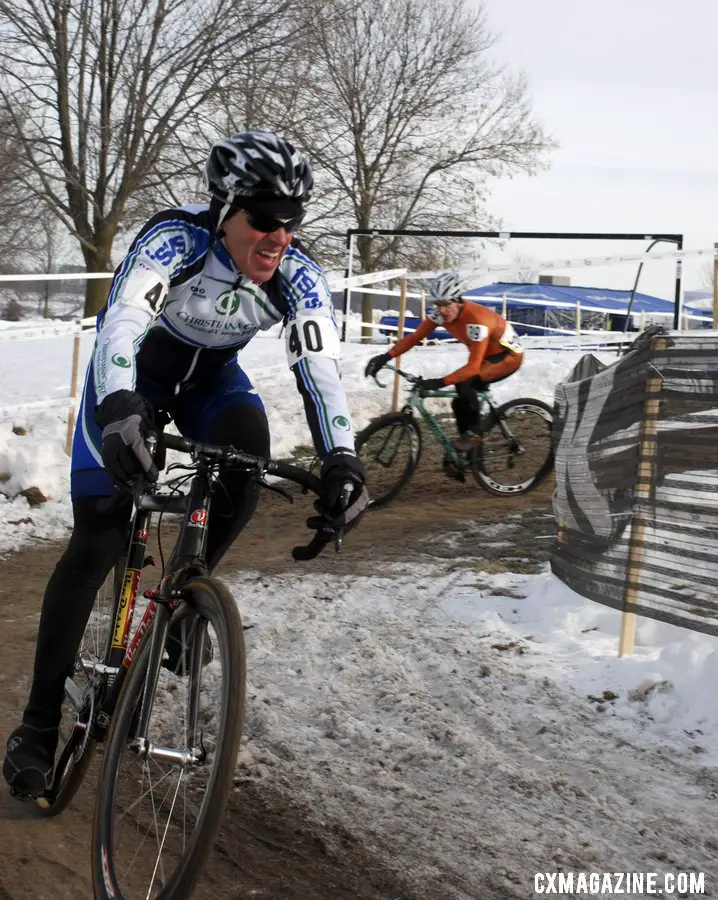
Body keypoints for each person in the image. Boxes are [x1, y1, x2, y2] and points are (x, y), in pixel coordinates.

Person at [3, 130, 368, 798]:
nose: (278, 237)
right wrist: (117, 407)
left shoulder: (297, 276)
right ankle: (34, 726)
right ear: (224, 208)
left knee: (249, 453)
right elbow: (120, 328)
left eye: (292, 222)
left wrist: (342, 457)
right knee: (98, 539)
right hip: (131, 379)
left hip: (209, 386)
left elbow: (319, 369)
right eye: (262, 219)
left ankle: (183, 600)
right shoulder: (174, 242)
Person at [365, 270, 524, 451]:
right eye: (438, 304)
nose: (442, 310)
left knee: (465, 384)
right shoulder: (440, 314)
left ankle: (474, 439)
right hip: (486, 357)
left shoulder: (477, 320)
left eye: (446, 304)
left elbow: (472, 368)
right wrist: (385, 357)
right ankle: (467, 453)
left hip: (507, 357)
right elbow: (415, 337)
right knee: (459, 402)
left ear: (458, 301)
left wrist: (438, 382)